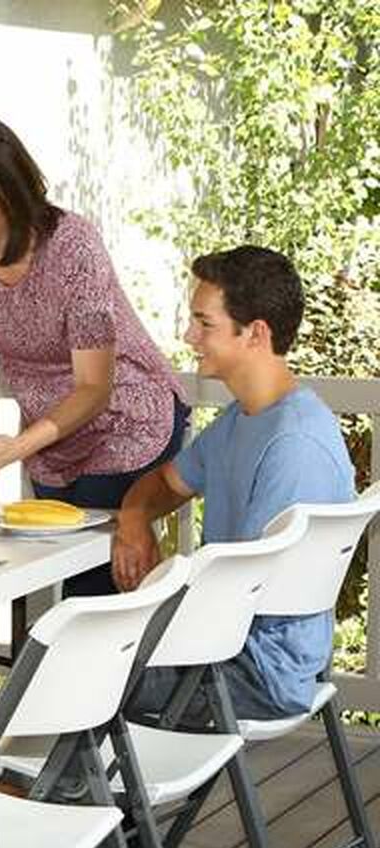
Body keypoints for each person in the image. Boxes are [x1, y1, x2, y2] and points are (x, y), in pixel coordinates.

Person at [0, 114, 188, 595]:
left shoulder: (73, 246)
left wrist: (13, 449)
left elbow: (95, 387)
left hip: (127, 417)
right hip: (50, 439)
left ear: (5, 185)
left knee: (96, 583)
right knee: (64, 572)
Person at [115, 245, 355, 721]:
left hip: (254, 670)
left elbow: (250, 589)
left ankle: (15, 773)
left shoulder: (294, 444)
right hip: (222, 644)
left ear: (255, 333)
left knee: (81, 670)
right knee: (76, 660)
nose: (189, 336)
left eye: (205, 324)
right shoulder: (245, 418)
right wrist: (135, 515)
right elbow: (167, 482)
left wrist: (157, 604)